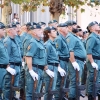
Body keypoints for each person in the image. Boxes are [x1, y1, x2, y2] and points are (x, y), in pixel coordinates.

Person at [66, 20, 86, 100]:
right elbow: (70, 51)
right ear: (70, 27)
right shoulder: (70, 37)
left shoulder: (74, 36)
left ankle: (75, 97)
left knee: (77, 81)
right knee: (74, 81)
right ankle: (72, 97)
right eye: (75, 26)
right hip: (76, 61)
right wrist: (74, 62)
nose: (76, 28)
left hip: (79, 61)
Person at [43, 26, 66, 100]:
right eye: (53, 31)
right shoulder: (48, 44)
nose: (56, 32)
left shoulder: (53, 43)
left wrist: (58, 67)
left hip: (55, 67)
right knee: (49, 90)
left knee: (52, 89)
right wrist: (46, 70)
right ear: (49, 34)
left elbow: (56, 57)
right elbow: (45, 58)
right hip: (50, 67)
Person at [3, 23, 22, 100]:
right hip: (11, 66)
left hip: (17, 66)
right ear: (9, 31)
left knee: (14, 87)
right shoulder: (7, 41)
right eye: (14, 29)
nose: (16, 30)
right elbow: (6, 55)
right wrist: (8, 67)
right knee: (8, 87)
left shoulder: (15, 40)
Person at [54, 23, 70, 100]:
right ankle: (57, 97)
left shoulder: (63, 38)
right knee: (60, 81)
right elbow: (56, 53)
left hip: (65, 61)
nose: (67, 29)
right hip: (61, 61)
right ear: (60, 29)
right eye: (65, 27)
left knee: (63, 81)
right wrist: (59, 66)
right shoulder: (59, 39)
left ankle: (61, 96)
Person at [86, 21, 100, 100]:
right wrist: (92, 62)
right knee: (92, 78)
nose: (98, 26)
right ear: (92, 28)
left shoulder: (97, 36)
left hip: (98, 59)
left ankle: (95, 92)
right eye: (96, 25)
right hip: (94, 59)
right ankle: (91, 95)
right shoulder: (92, 37)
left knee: (97, 78)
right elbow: (89, 51)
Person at [0, 22, 9, 100]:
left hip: (3, 68)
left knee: (2, 89)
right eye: (3, 29)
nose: (4, 31)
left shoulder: (2, 41)